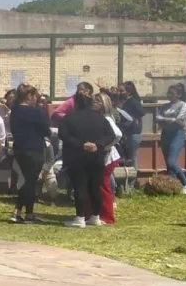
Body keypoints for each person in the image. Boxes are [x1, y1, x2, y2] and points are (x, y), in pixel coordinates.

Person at [59, 91, 119, 227]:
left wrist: (81, 144)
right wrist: (98, 144)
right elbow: (111, 135)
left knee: (80, 187)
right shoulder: (101, 118)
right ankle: (95, 216)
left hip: (77, 156)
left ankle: (80, 218)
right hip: (96, 156)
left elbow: (64, 136)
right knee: (95, 187)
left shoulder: (69, 118)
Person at [9, 86, 51, 224]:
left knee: (27, 180)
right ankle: (28, 213)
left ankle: (19, 211)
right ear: (29, 96)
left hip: (20, 148)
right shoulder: (36, 112)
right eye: (35, 96)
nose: (36, 98)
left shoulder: (14, 111)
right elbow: (46, 129)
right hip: (35, 148)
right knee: (31, 182)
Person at [93, 93, 123, 225]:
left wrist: (106, 146)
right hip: (104, 155)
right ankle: (99, 213)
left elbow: (117, 134)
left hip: (108, 157)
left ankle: (107, 216)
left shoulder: (107, 118)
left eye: (97, 101)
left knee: (103, 186)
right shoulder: (100, 117)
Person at [155, 83, 186, 194]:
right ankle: (172, 187)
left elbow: (180, 120)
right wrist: (171, 119)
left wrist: (165, 119)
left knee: (172, 161)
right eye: (168, 93)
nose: (169, 95)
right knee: (168, 164)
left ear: (179, 94)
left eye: (172, 93)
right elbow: (157, 118)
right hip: (165, 134)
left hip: (177, 135)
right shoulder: (165, 106)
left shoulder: (183, 105)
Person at [119, 81, 144, 167]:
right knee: (129, 158)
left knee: (132, 158)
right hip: (127, 132)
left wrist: (132, 118)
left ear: (129, 91)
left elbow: (141, 112)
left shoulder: (133, 101)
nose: (120, 93)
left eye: (122, 91)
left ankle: (133, 179)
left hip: (133, 133)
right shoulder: (125, 100)